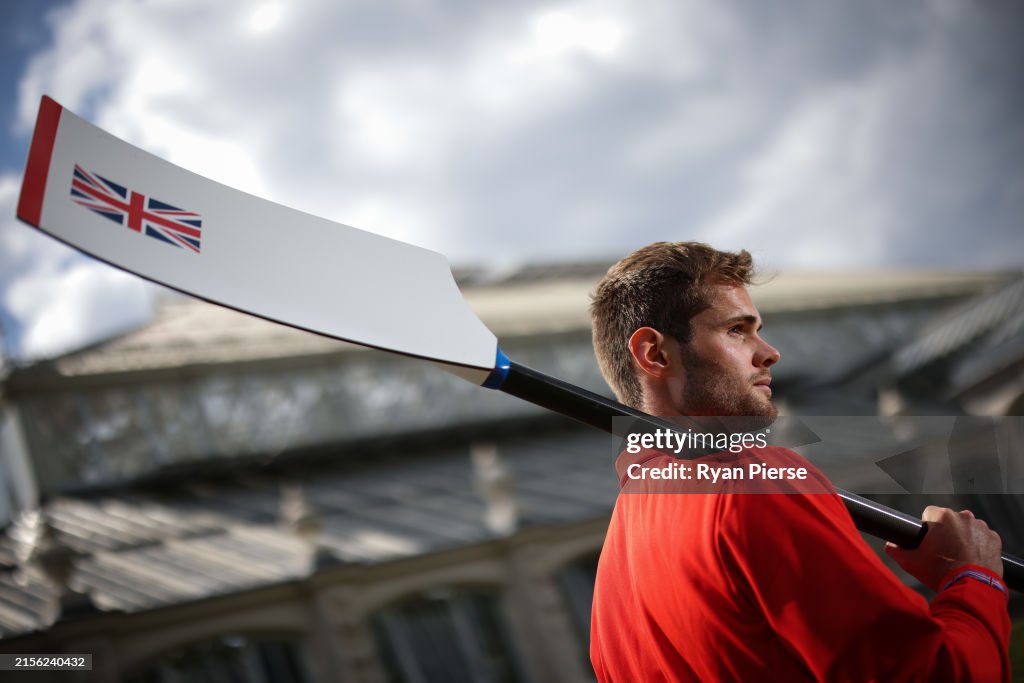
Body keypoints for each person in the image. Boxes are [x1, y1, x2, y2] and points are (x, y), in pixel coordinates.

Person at [588, 242, 1011, 682]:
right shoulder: (754, 479)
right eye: (737, 330)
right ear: (655, 354)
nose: (769, 352)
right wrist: (973, 578)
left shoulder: (611, 584)